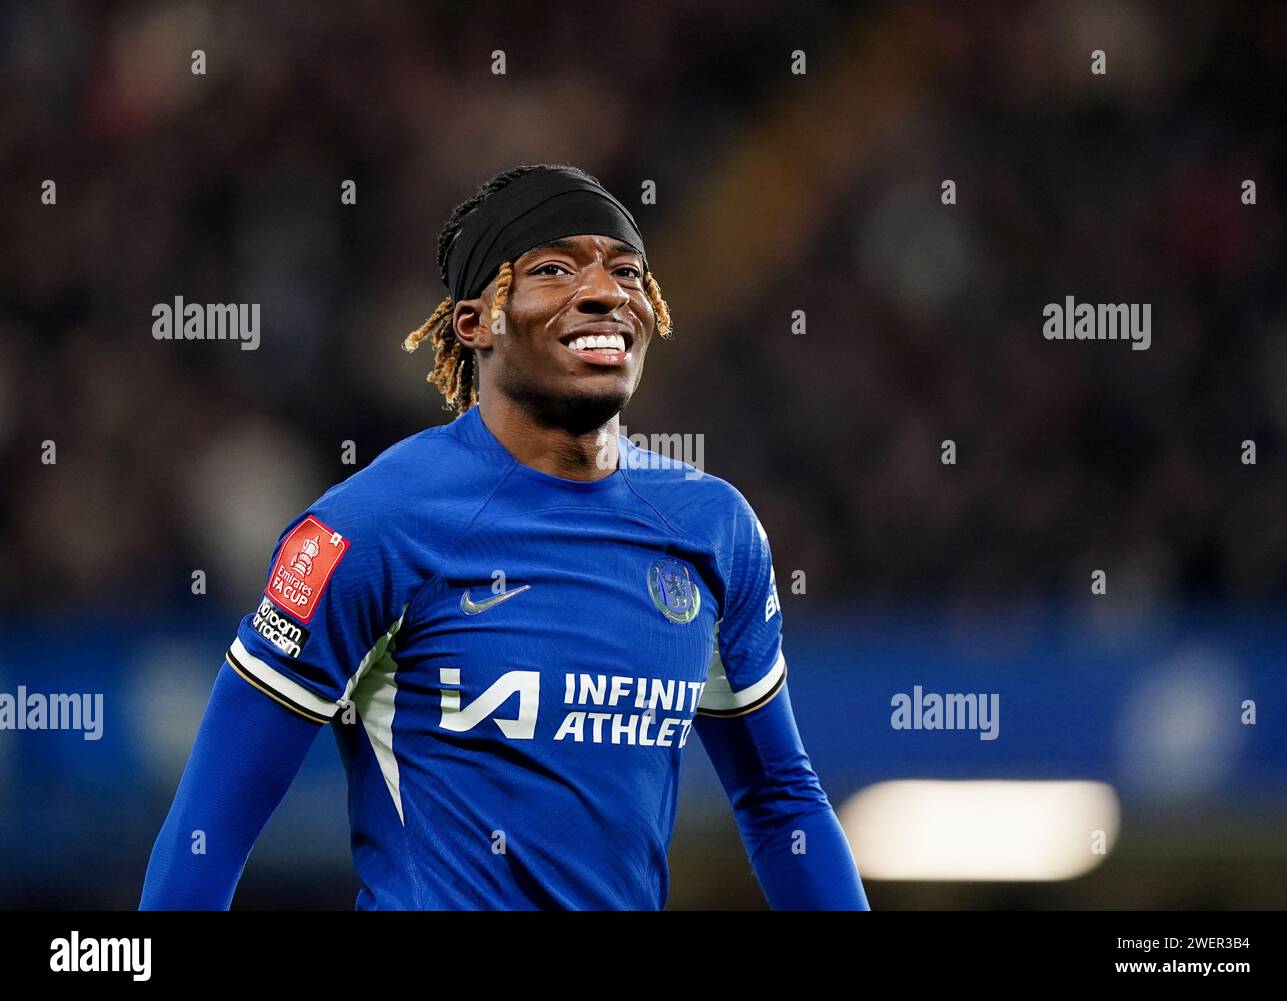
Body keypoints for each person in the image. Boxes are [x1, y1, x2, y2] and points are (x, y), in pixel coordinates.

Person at [140, 163, 869, 910]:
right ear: (476, 321)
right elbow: (210, 827)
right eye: (554, 269)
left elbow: (782, 804)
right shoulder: (369, 528)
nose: (605, 293)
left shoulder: (713, 530)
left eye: (627, 272)